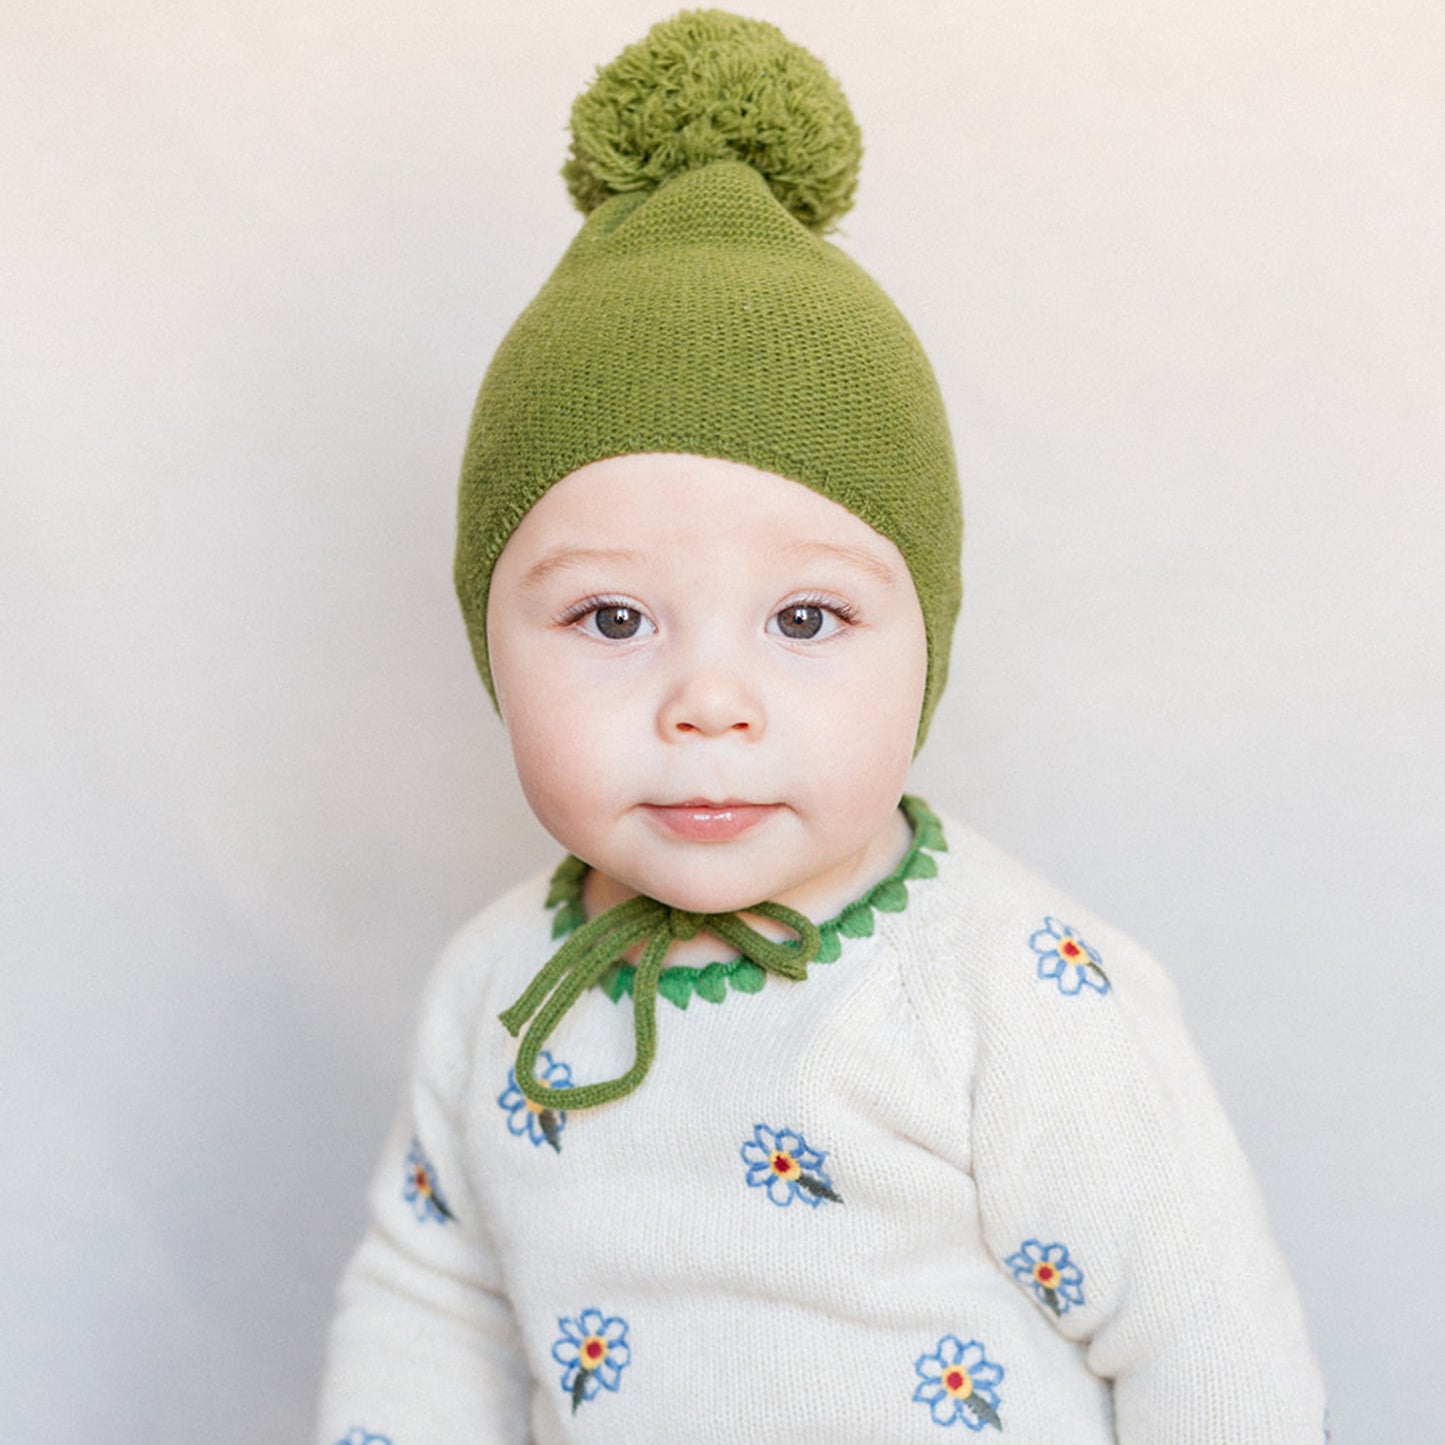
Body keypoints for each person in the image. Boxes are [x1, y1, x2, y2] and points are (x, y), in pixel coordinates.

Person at [316, 11, 1325, 1442]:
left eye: (803, 621)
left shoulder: (1017, 991)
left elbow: (1207, 1343)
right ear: (488, 642)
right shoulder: (497, 997)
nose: (707, 702)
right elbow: (435, 1309)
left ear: (926, 645)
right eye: (612, 620)